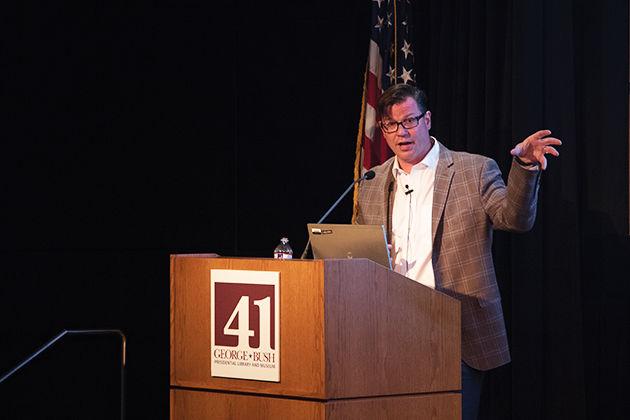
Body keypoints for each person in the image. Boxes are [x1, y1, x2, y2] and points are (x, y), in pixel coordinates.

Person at [354, 83, 561, 420]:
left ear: (428, 120)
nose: (400, 133)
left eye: (409, 121)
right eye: (390, 125)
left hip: (455, 334)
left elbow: (515, 219)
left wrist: (524, 167)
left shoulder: (473, 170)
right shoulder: (373, 181)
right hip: (389, 331)